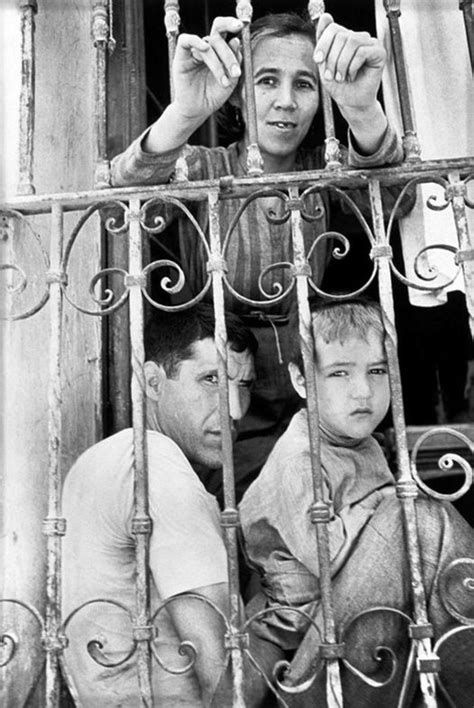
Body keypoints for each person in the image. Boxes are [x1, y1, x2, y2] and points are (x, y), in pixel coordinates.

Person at [110, 11, 413, 502]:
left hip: (307, 368)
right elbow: (123, 199)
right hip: (223, 370)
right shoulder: (204, 166)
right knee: (235, 506)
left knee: (324, 500)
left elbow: (401, 201)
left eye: (305, 84)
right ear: (236, 91)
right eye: (267, 80)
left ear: (323, 95)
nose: (286, 102)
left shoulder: (326, 166)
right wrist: (185, 113)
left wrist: (362, 110)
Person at [239, 298, 474, 706]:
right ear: (300, 380)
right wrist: (385, 505)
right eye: (339, 373)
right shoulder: (299, 459)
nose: (362, 390)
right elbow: (327, 556)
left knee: (424, 522)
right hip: (308, 657)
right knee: (418, 518)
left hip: (371, 636)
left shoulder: (361, 443)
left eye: (377, 370)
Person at [61, 304, 280, 707]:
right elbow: (227, 688)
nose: (234, 409)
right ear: (153, 382)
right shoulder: (155, 465)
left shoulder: (109, 460)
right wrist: (285, 600)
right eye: (211, 379)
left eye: (244, 385)